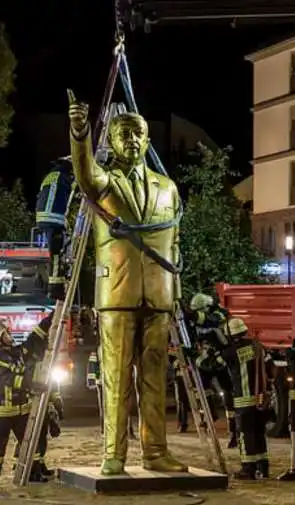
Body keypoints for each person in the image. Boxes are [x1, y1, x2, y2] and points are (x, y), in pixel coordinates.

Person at [68, 89, 186, 475]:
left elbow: (175, 243)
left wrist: (176, 293)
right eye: (124, 134)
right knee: (116, 378)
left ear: (147, 140)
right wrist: (80, 132)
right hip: (117, 295)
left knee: (155, 378)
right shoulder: (103, 182)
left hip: (159, 297)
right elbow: (83, 172)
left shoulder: (167, 188)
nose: (132, 140)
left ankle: (155, 452)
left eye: (138, 134)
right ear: (113, 142)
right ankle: (114, 455)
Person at [0, 317, 52, 486]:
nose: (10, 334)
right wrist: (31, 385)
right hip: (2, 412)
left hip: (21, 410)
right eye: (6, 333)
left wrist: (47, 322)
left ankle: (34, 473)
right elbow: (8, 379)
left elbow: (31, 342)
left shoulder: (16, 353)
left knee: (29, 444)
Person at [209, 318, 270, 480]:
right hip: (260, 398)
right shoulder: (257, 346)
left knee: (245, 434)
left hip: (243, 400)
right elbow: (270, 365)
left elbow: (211, 364)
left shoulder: (230, 351)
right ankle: (263, 466)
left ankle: (248, 469)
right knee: (258, 433)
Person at [185, 293, 238, 448]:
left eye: (200, 311)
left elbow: (211, 321)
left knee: (229, 393)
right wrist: (189, 350)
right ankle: (209, 416)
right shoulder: (194, 321)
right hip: (204, 361)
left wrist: (193, 315)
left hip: (222, 359)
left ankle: (234, 431)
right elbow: (189, 336)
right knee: (202, 390)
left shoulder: (220, 313)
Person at [86, 346, 137, 438]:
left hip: (115, 381)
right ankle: (108, 431)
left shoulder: (102, 348)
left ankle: (126, 431)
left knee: (121, 407)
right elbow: (93, 365)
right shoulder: (100, 348)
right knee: (110, 408)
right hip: (106, 382)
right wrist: (95, 379)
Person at [168, 344, 191, 432]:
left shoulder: (184, 341)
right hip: (179, 378)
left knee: (184, 401)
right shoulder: (171, 349)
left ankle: (183, 423)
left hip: (189, 376)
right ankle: (182, 423)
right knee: (181, 401)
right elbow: (172, 363)